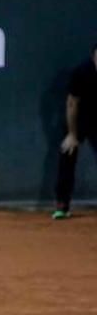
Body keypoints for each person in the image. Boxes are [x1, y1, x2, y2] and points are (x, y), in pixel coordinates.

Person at [53, 42, 97, 219]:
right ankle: (62, 205)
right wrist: (72, 134)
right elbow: (72, 103)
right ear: (93, 56)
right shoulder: (81, 72)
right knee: (67, 154)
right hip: (78, 119)